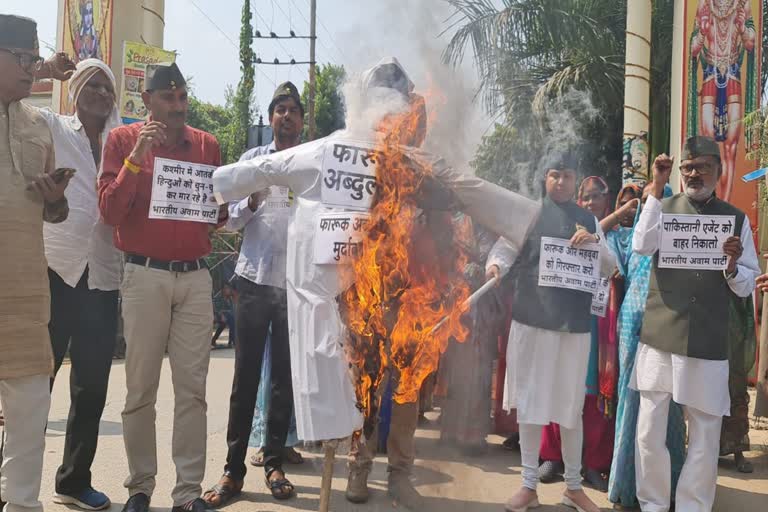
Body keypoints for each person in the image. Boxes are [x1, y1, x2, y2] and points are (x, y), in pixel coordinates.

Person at [212, 57, 540, 512]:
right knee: (362, 381)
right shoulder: (335, 151)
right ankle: (359, 466)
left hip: (408, 292)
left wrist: (527, 219)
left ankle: (400, 475)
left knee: (405, 384)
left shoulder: (420, 164)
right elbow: (270, 169)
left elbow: (471, 191)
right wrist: (224, 182)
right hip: (357, 290)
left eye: (399, 104)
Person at [98, 62, 226, 512]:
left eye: (183, 97)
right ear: (147, 100)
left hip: (194, 277)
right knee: (140, 389)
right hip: (143, 275)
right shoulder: (120, 141)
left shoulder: (207, 145)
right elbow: (110, 212)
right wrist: (138, 157)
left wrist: (232, 198)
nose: (177, 106)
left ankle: (188, 493)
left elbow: (219, 211)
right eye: (168, 98)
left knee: (192, 389)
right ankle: (139, 487)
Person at [632, 136, 759, 512]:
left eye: (702, 166)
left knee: (704, 433)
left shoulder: (735, 221)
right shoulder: (662, 208)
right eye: (687, 167)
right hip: (659, 337)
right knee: (649, 430)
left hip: (707, 340)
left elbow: (747, 283)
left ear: (718, 172)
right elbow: (640, 245)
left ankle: (693, 507)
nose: (693, 173)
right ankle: (653, 504)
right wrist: (656, 187)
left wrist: (732, 265)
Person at [487, 157, 616, 512]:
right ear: (544, 177)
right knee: (530, 405)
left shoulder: (589, 220)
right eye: (554, 174)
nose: (561, 181)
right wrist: (495, 267)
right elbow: (503, 249)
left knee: (571, 409)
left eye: (567, 175)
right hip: (531, 323)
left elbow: (610, 266)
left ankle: (572, 487)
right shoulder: (526, 213)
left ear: (575, 181)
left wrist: (594, 243)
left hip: (573, 328)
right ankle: (528, 485)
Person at [203, 82, 304, 506]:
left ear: (302, 122)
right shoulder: (250, 163)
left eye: (292, 111)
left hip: (294, 286)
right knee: (244, 379)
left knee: (283, 379)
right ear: (270, 119)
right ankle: (232, 470)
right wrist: (253, 200)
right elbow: (227, 222)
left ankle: (275, 461)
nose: (286, 116)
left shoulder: (309, 164)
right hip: (253, 279)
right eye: (279, 109)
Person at [39, 57, 123, 511]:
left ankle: (73, 480)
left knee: (91, 386)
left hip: (103, 277)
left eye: (107, 88)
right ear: (75, 93)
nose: (100, 94)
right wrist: (43, 73)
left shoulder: (125, 141)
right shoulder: (53, 127)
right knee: (35, 382)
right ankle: (10, 476)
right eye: (91, 85)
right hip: (55, 269)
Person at [0, 14, 72, 512]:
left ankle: (23, 505)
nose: (32, 69)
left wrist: (54, 198)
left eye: (33, 59)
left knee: (30, 406)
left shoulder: (37, 123)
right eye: (22, 59)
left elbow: (57, 211)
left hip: (26, 292)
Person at [537, 176, 632, 491]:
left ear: (607, 201)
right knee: (559, 385)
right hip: (564, 316)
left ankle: (594, 463)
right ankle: (552, 456)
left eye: (596, 197)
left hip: (598, 320)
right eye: (586, 197)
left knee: (594, 393)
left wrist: (594, 240)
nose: (590, 202)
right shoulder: (564, 223)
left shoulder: (612, 234)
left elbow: (615, 269)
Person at [607, 183, 687, 509]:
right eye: (646, 201)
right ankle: (627, 488)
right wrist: (625, 212)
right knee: (632, 406)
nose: (652, 205)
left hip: (670, 328)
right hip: (631, 327)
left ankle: (671, 489)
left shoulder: (681, 236)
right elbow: (598, 239)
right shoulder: (629, 239)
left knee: (669, 407)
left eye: (661, 199)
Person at [438, 215, 504, 455]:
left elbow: (501, 264)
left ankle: (474, 436)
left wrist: (483, 271)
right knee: (456, 373)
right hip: (459, 308)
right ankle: (451, 432)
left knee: (480, 376)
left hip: (484, 310)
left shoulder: (494, 231)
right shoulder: (454, 225)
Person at [689, 0, 757, 201]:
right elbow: (693, 49)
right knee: (709, 144)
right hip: (710, 74)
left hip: (733, 77)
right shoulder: (704, 5)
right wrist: (701, 32)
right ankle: (711, 202)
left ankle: (724, 204)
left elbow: (751, 43)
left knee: (731, 146)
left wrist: (743, 28)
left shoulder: (743, 4)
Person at [719, 292, 756, 473]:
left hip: (734, 308)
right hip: (706, 305)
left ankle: (738, 451)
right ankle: (703, 451)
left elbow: (749, 269)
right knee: (705, 389)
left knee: (735, 386)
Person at [211, 283, 236, 348]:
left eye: (229, 288)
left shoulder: (229, 298)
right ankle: (232, 341)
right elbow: (215, 308)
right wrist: (221, 315)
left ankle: (231, 341)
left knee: (232, 319)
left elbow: (231, 310)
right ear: (223, 289)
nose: (228, 290)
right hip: (216, 315)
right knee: (231, 319)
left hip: (226, 316)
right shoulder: (218, 297)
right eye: (227, 288)